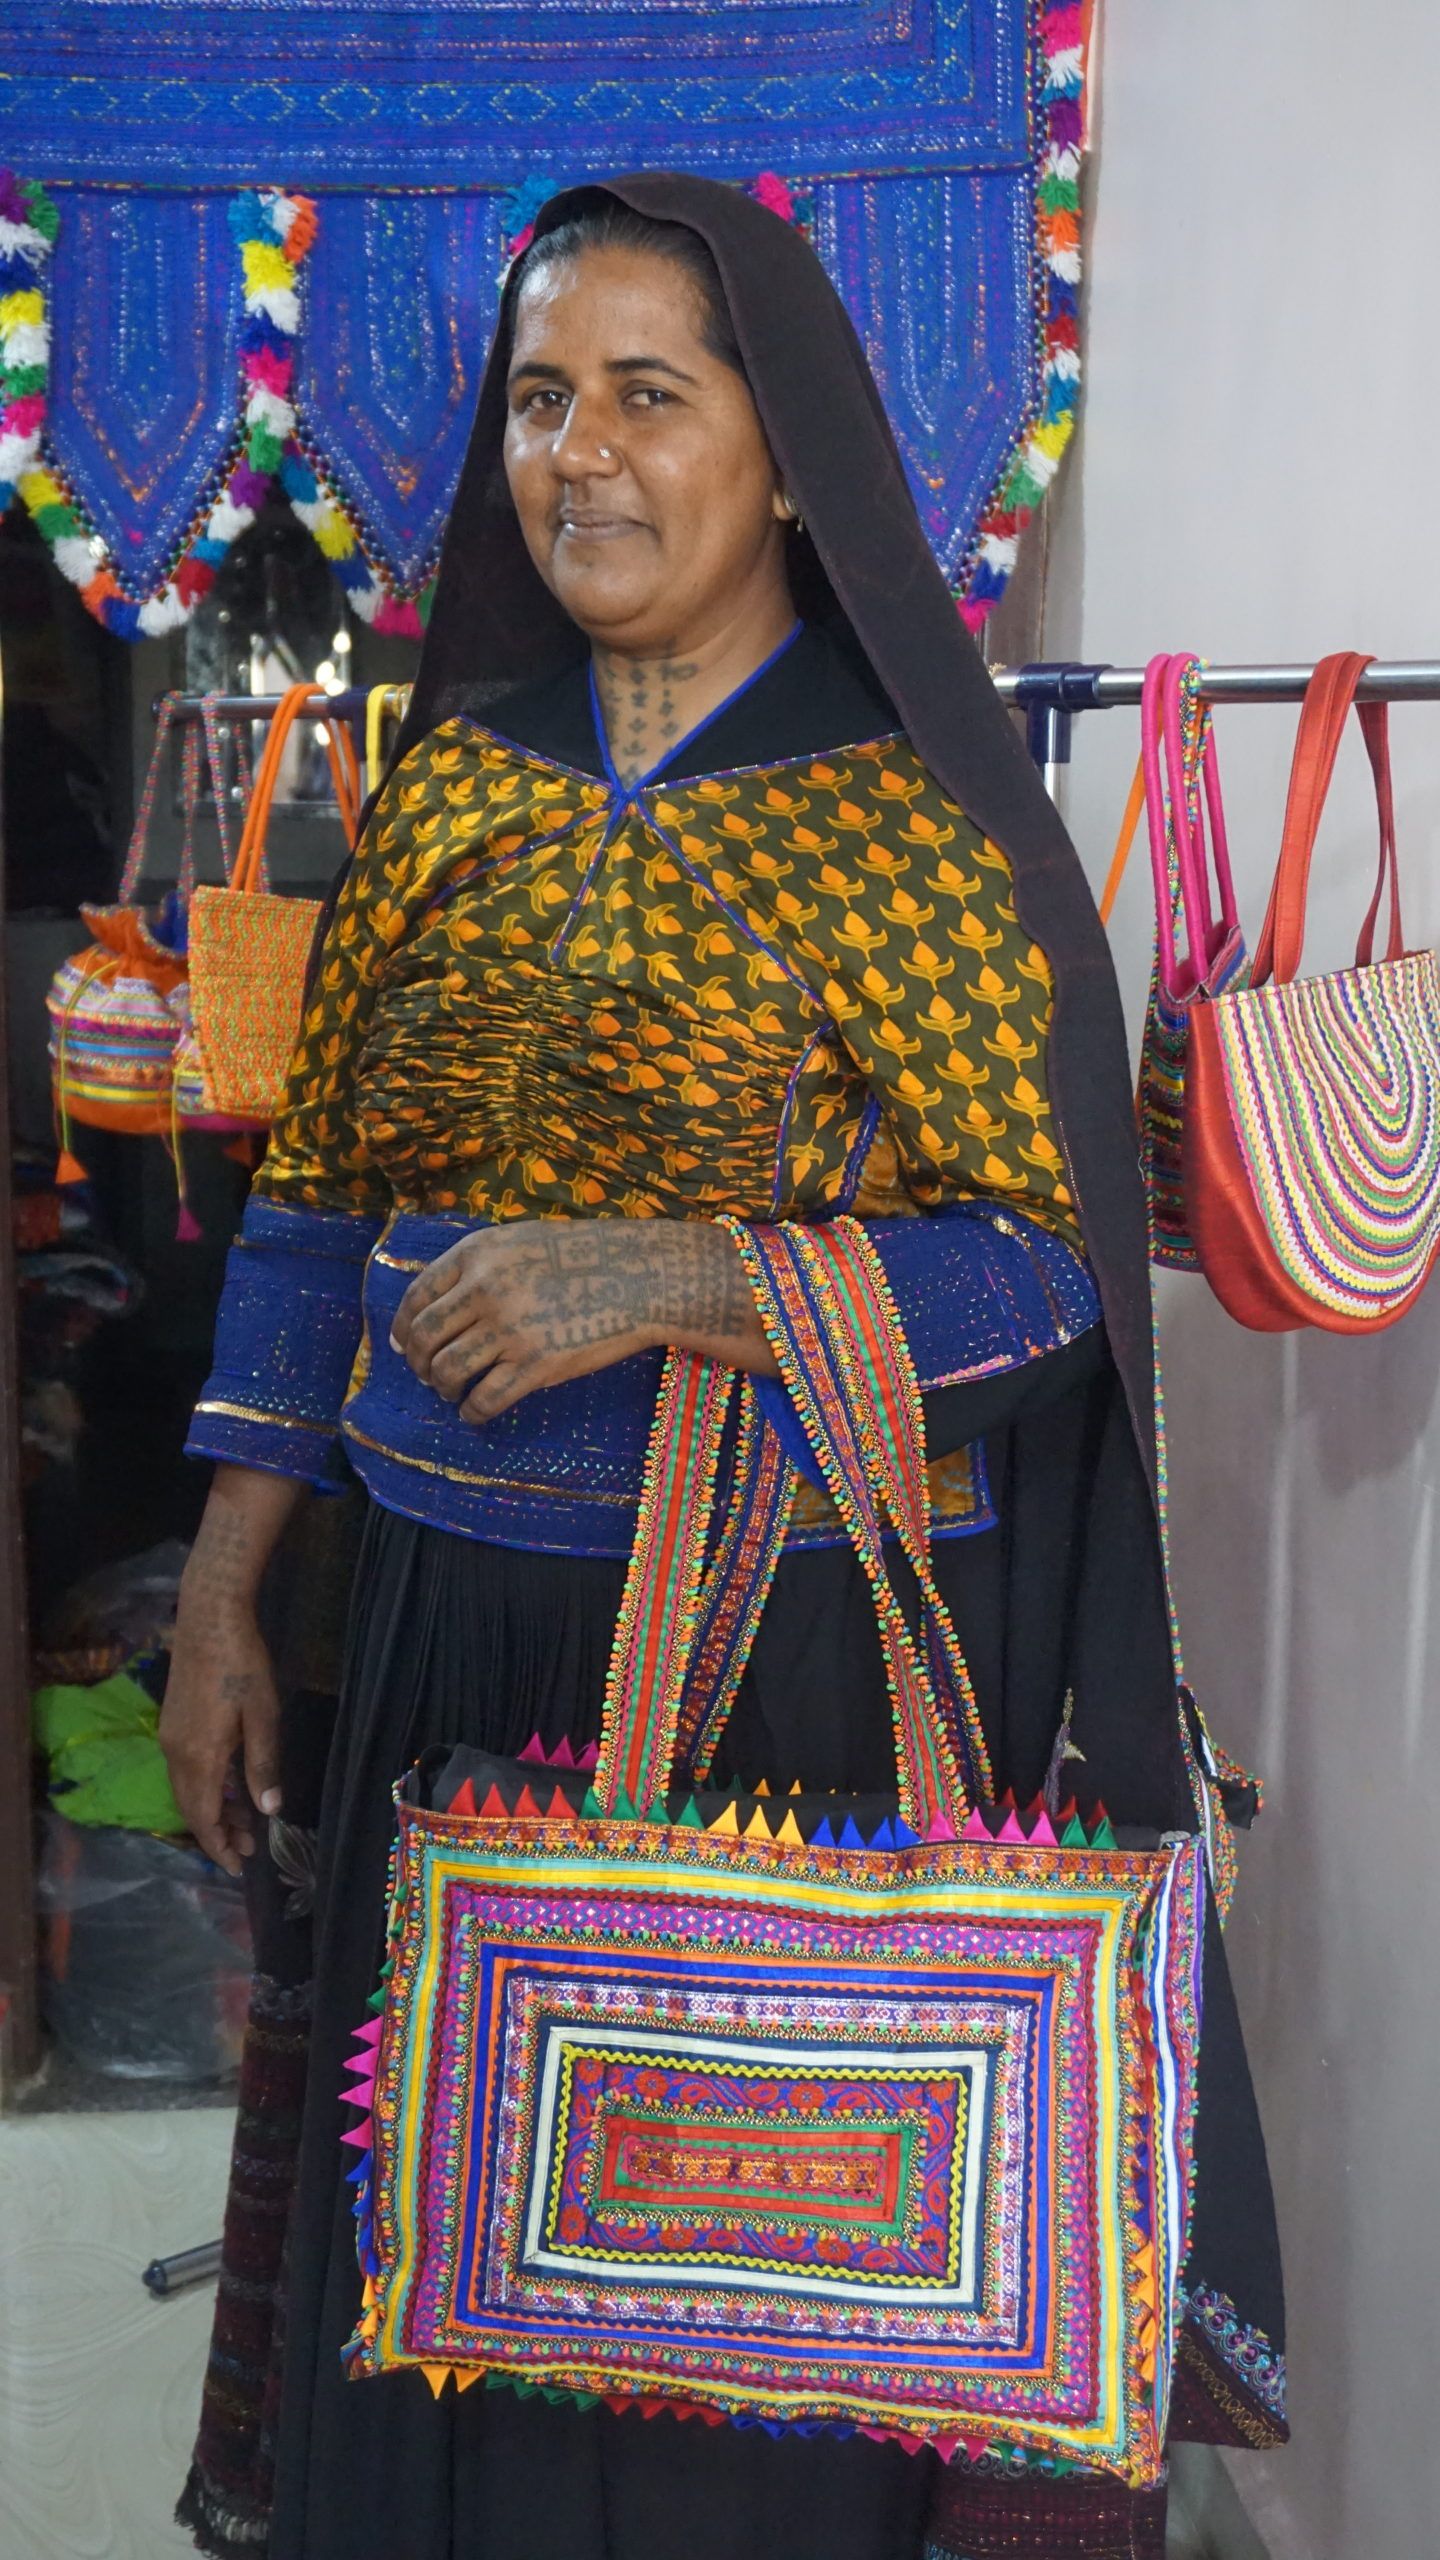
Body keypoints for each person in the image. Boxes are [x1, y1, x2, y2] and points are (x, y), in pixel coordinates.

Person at [165, 175, 1285, 2560]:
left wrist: (680, 1272)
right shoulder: (451, 788)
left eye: (650, 396)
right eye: (541, 401)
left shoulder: (918, 831)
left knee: (737, 2325)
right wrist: (222, 1584)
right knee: (448, 2250)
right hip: (437, 1656)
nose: (581, 453)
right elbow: (317, 1193)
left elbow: (1050, 1267)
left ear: (787, 453)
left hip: (796, 1690)